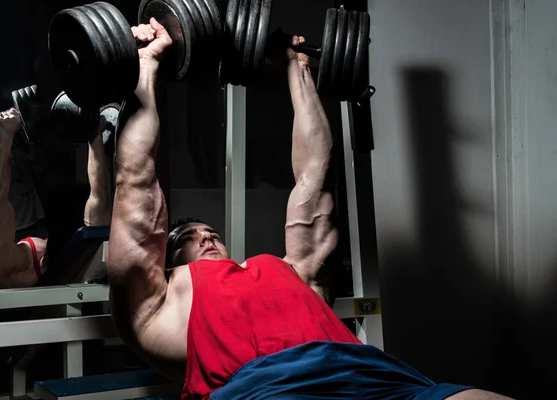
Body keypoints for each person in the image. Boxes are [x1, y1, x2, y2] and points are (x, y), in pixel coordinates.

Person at [106, 19, 513, 400]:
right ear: (168, 261)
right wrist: (147, 64)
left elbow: (315, 175)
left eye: (208, 230)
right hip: (267, 389)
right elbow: (136, 184)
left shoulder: (291, 270)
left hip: (378, 378)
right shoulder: (157, 306)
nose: (206, 236)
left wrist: (296, 67)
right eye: (190, 239)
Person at [0, 107, 112, 290]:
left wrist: (6, 136)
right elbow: (100, 193)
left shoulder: (17, 270)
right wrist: (95, 137)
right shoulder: (90, 249)